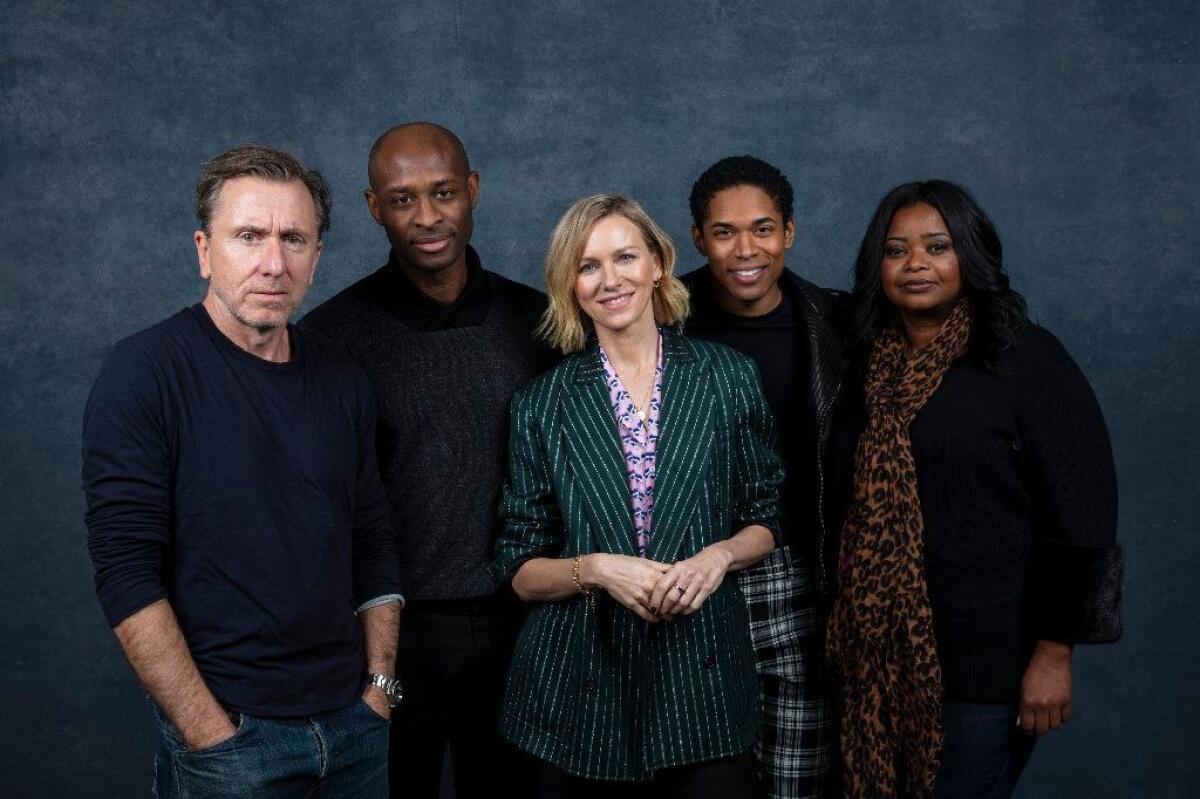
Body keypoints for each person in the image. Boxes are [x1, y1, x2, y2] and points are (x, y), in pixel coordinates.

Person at [82, 144, 404, 798]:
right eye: (249, 236)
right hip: (232, 740)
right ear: (205, 249)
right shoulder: (144, 374)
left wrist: (378, 691)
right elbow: (126, 574)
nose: (272, 262)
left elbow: (373, 540)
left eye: (294, 239)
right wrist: (209, 732)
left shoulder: (343, 379)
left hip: (353, 729)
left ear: (316, 258)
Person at [826, 180, 1122, 798]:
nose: (916, 265)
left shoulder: (1025, 361)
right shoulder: (865, 369)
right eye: (896, 250)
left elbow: (1083, 515)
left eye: (937, 246)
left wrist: (1054, 654)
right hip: (876, 666)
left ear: (971, 255)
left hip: (989, 668)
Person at [492, 194, 783, 798]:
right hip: (581, 688)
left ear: (658, 263)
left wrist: (718, 557)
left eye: (624, 256)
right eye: (588, 265)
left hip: (702, 677)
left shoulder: (727, 376)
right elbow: (519, 570)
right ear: (570, 285)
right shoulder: (541, 405)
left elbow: (766, 517)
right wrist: (595, 569)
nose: (610, 279)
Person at [300, 122, 551, 798]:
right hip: (391, 632)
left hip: (520, 621)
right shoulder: (330, 339)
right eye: (403, 199)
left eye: (443, 192)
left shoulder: (541, 323)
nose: (428, 216)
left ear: (472, 190)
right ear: (374, 207)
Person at [682, 155, 848, 799]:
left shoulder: (836, 323)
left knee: (796, 781)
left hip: (801, 576)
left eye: (762, 229)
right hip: (691, 571)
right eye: (724, 232)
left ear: (790, 232)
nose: (745, 249)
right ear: (699, 238)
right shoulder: (662, 318)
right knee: (700, 777)